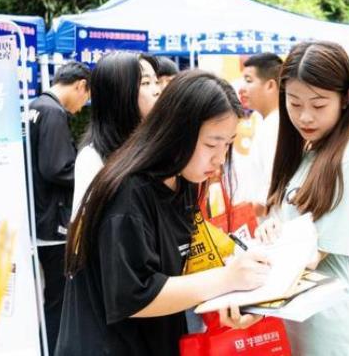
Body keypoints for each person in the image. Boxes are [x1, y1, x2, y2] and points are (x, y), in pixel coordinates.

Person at [55, 70, 270, 356]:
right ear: (176, 130)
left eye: (227, 143)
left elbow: (180, 272)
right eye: (211, 144)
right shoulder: (128, 193)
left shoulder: (183, 181)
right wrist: (227, 279)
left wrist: (232, 298)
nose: (219, 158)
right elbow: (135, 295)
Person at [257, 41, 349, 355]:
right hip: (304, 325)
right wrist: (268, 230)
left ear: (347, 98)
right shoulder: (309, 152)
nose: (305, 117)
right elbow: (287, 229)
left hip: (339, 332)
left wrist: (243, 297)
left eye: (318, 105)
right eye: (294, 103)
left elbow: (309, 254)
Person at [28, 61, 91, 354]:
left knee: (52, 298)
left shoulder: (36, 105)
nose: (83, 104)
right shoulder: (53, 112)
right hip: (54, 223)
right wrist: (89, 173)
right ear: (80, 85)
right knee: (58, 301)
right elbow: (56, 168)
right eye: (86, 97)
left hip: (40, 217)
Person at [71, 52, 160, 219]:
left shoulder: (155, 145)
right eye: (146, 83)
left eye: (157, 81)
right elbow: (83, 227)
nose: (157, 90)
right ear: (119, 93)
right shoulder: (92, 158)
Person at [238, 52, 282, 214]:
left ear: (270, 85)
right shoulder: (266, 122)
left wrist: (243, 216)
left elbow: (274, 186)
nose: (242, 88)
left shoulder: (275, 126)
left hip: (267, 225)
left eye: (249, 80)